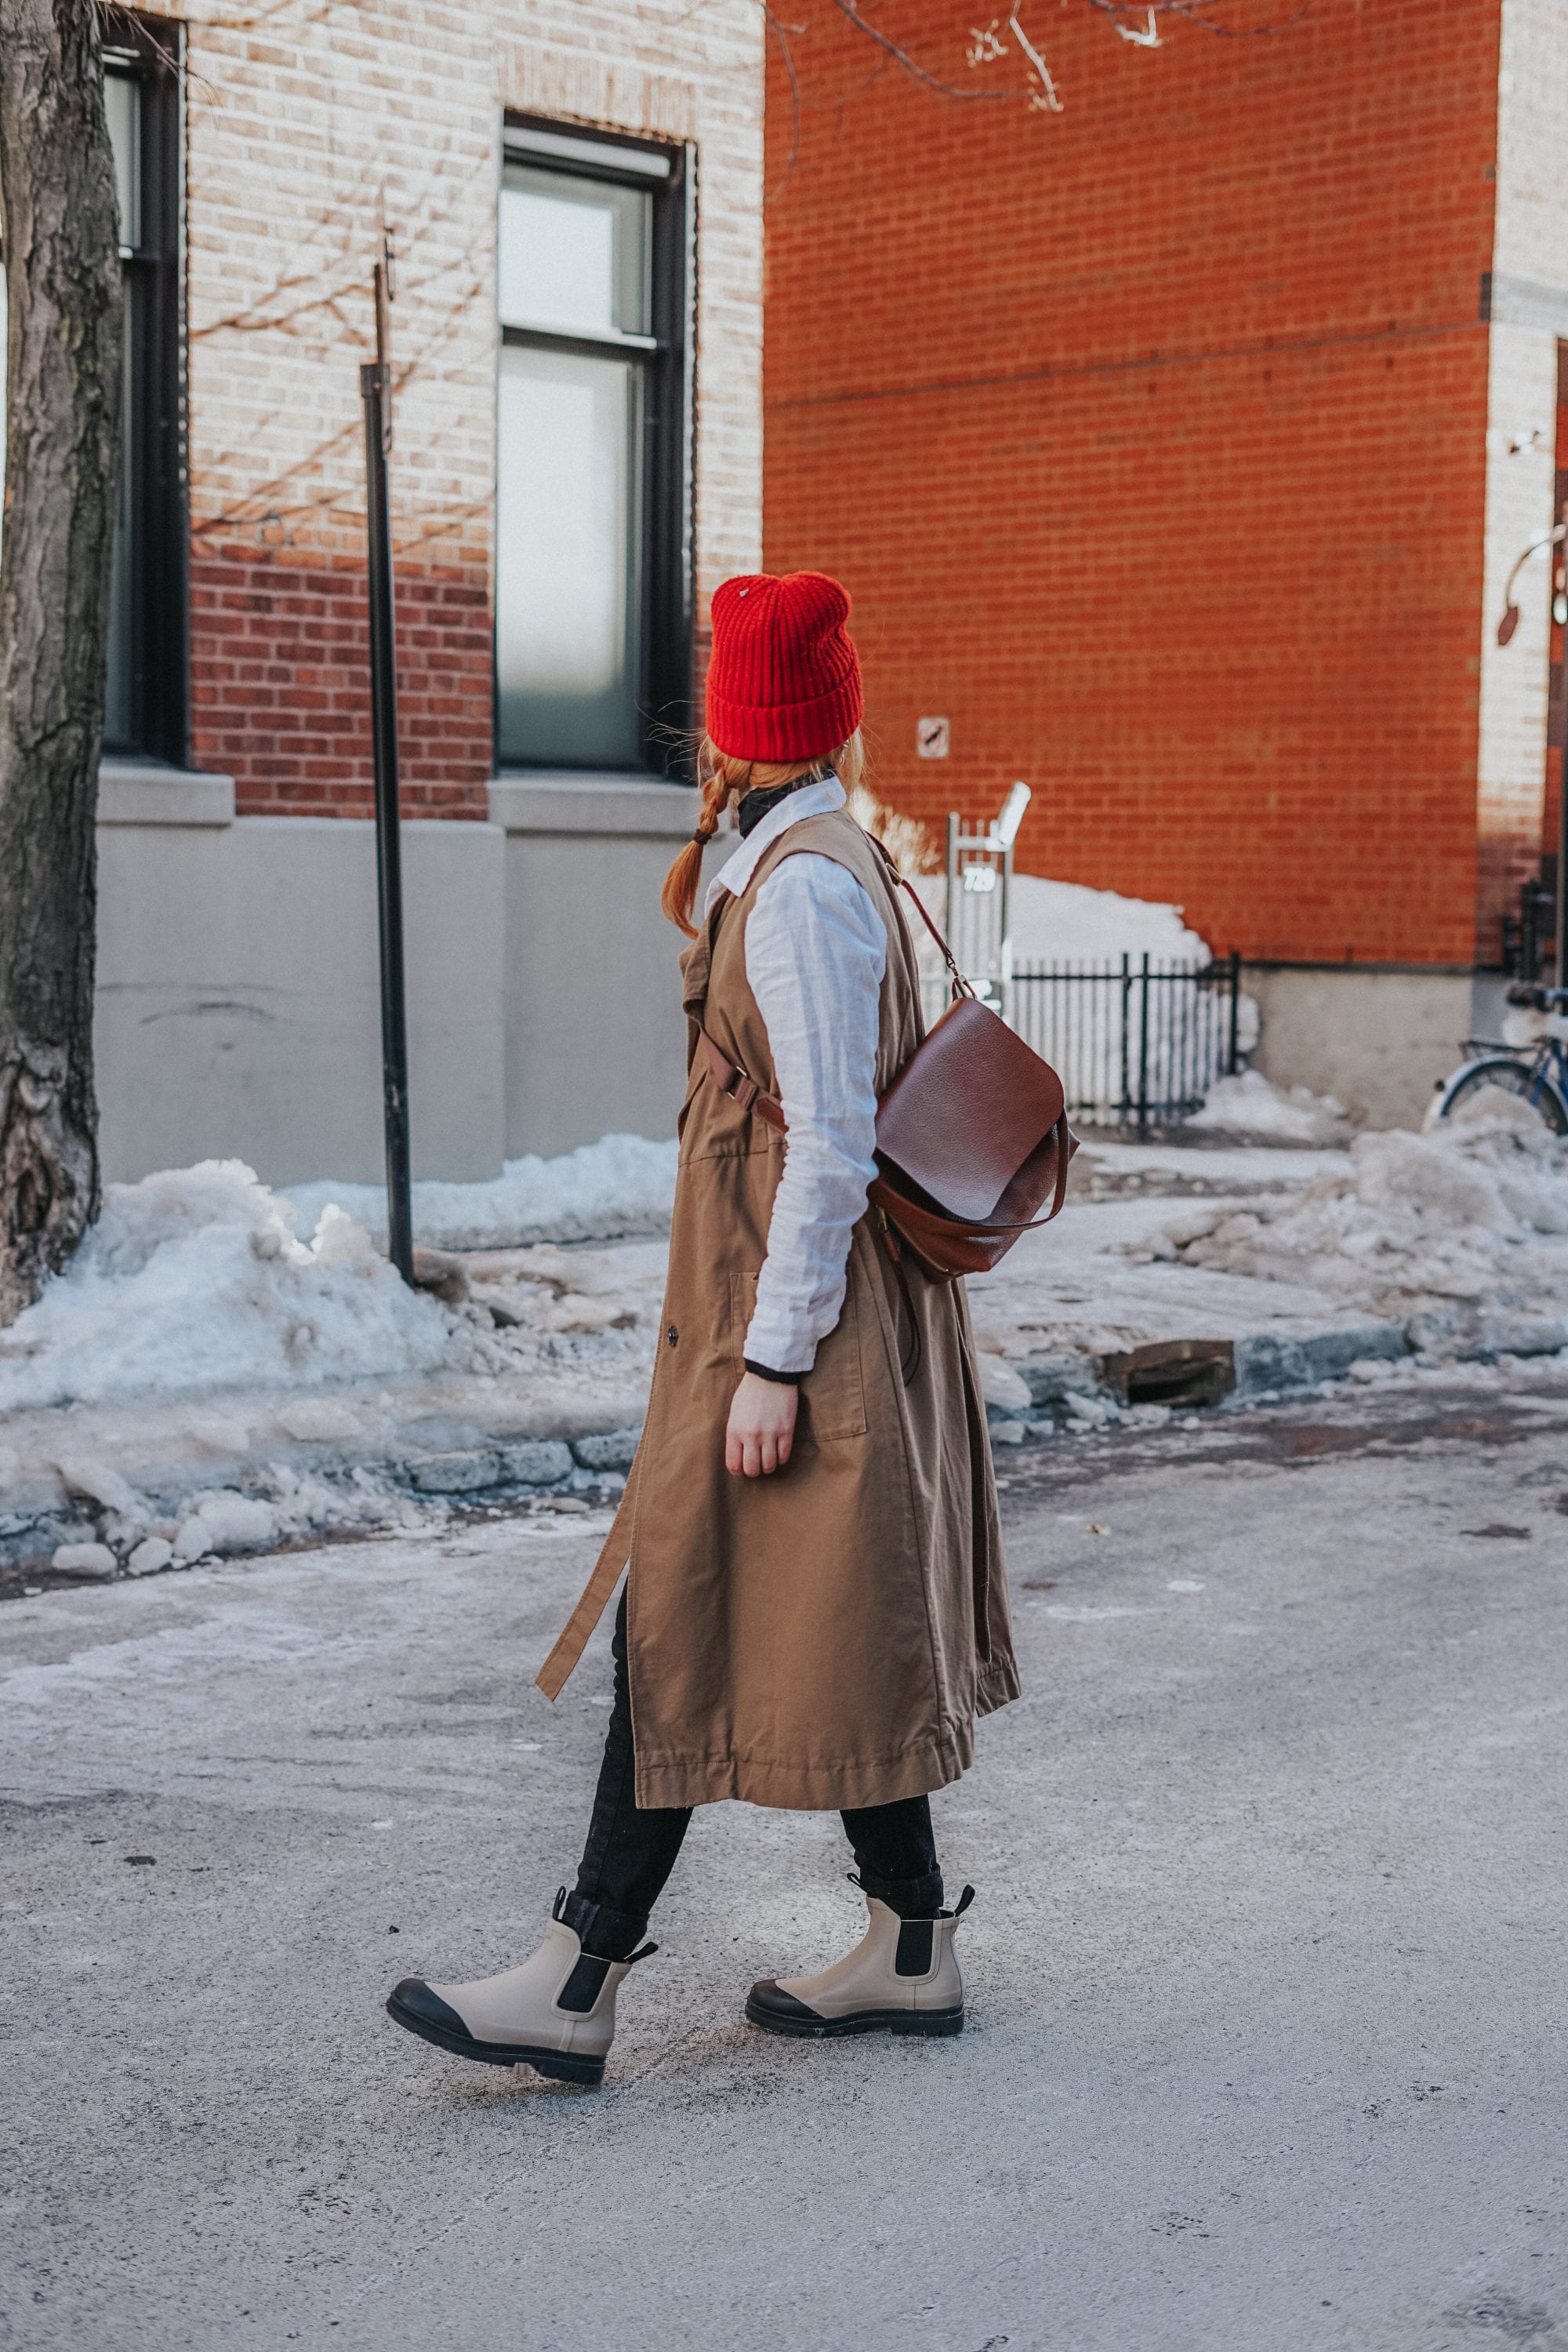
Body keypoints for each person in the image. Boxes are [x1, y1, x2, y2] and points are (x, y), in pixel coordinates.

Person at [387, 571, 1019, 2087]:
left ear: (732, 724)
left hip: (796, 1319)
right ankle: (911, 1944)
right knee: (821, 1622)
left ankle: (578, 1973)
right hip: (803, 1312)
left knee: (673, 1605)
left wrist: (774, 1362)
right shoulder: (813, 856)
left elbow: (824, 1145)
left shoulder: (800, 886)